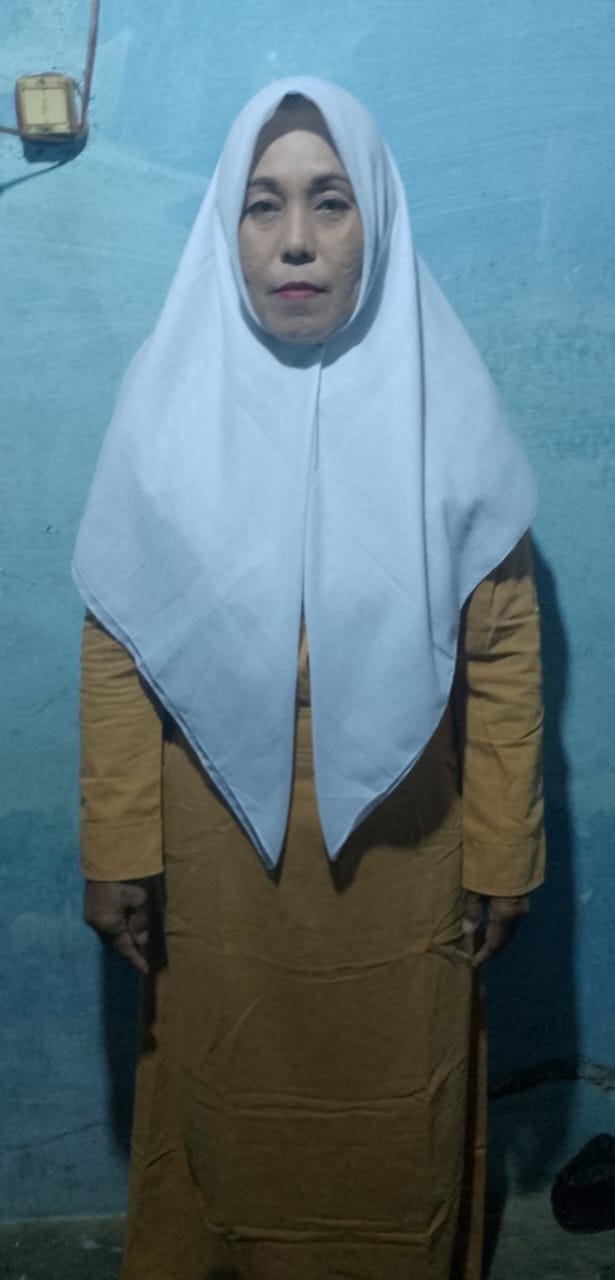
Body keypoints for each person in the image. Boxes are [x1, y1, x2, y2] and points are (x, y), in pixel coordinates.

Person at [74, 78, 545, 1280]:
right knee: (221, 1108)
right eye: (264, 204)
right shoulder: (165, 409)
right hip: (217, 860)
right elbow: (118, 641)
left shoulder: (448, 410)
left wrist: (503, 854)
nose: (296, 240)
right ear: (224, 228)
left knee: (397, 1118)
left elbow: (502, 655)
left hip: (406, 851)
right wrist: (116, 845)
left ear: (375, 220)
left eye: (331, 202)